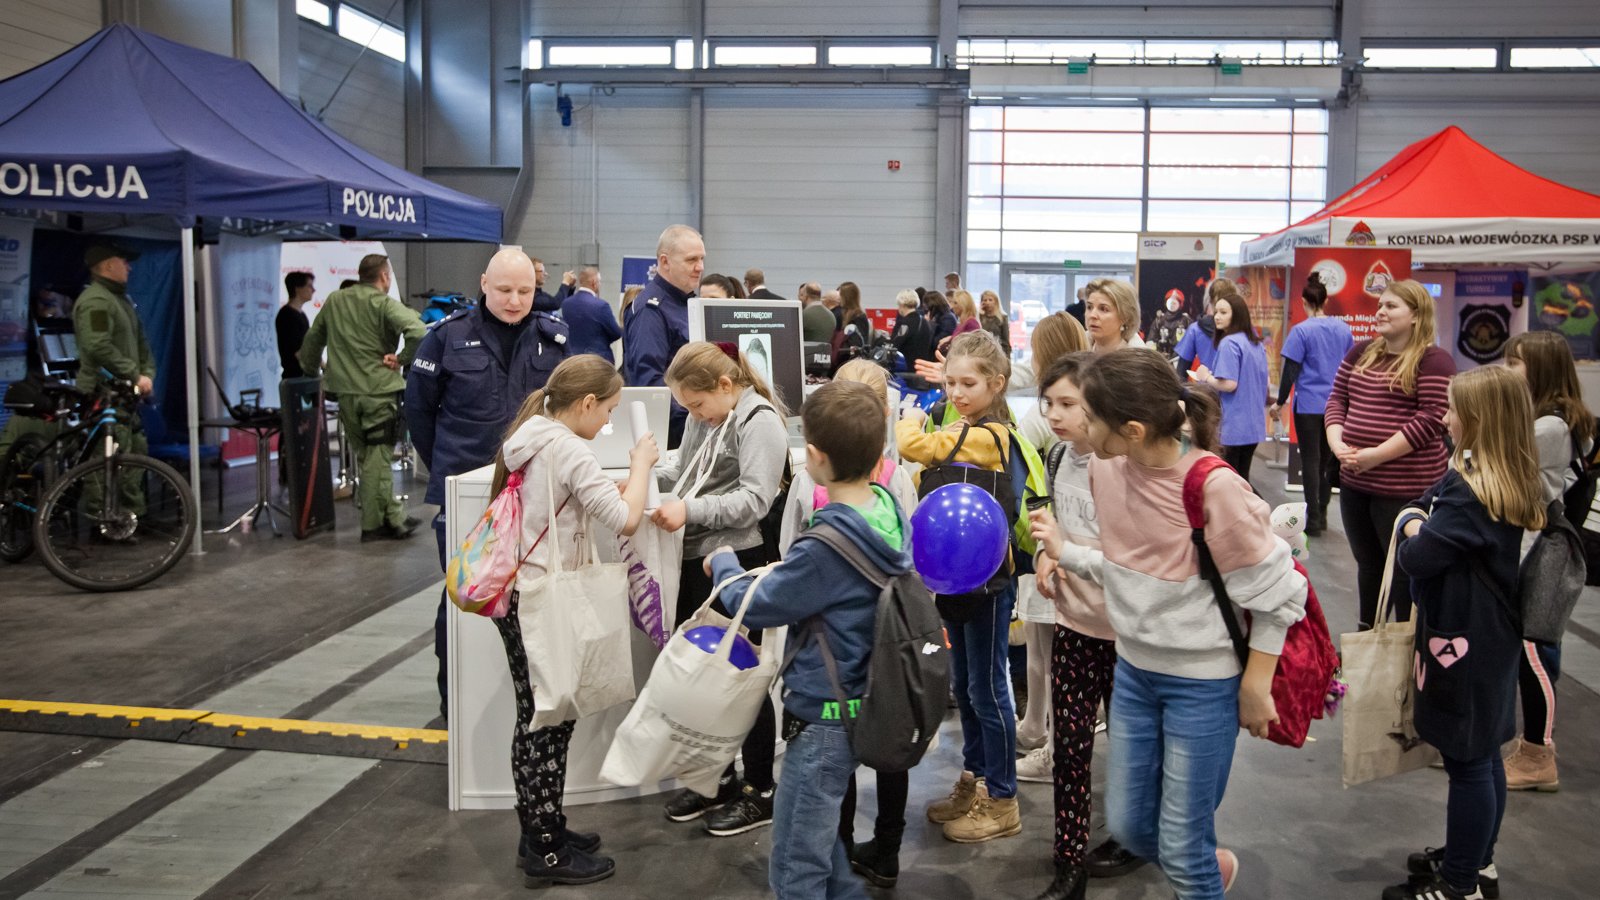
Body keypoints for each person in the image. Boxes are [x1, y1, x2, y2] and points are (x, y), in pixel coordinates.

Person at [1048, 348, 1307, 900]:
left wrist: (1256, 684)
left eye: (1088, 416)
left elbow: (1282, 592)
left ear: (1133, 429)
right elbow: (1131, 568)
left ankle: (1200, 875)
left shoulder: (1215, 489)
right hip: (1136, 674)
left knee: (1184, 845)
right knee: (1129, 827)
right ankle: (1210, 869)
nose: (1073, 424)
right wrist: (1067, 554)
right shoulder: (1102, 465)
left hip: (1203, 686)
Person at [706, 379, 912, 900]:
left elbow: (758, 604)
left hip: (823, 716)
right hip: (865, 700)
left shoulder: (827, 542)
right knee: (824, 851)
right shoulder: (887, 508)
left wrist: (725, 563)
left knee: (796, 862)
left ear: (814, 458)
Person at [493, 355, 659, 888]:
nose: (607, 423)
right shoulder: (568, 449)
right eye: (607, 411)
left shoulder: (533, 435)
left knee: (542, 715)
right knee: (547, 721)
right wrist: (640, 465)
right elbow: (625, 517)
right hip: (545, 598)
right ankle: (545, 849)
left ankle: (542, 830)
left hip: (524, 593)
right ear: (586, 403)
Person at [1387, 365, 1541, 900]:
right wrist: (1421, 515)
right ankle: (1478, 862)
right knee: (1485, 753)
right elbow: (1429, 503)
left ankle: (1459, 887)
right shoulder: (1508, 480)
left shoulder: (1470, 493)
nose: (1445, 417)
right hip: (1492, 637)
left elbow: (1416, 553)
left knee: (1468, 761)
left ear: (1477, 420)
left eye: (1453, 409)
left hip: (1464, 641)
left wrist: (1411, 523)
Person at [407, 247, 572, 719]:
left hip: (535, 492)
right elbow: (419, 413)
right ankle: (454, 703)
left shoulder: (554, 338)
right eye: (504, 290)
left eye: (525, 291)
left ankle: (521, 701)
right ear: (483, 284)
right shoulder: (445, 339)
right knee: (463, 595)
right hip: (466, 495)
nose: (515, 300)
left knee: (532, 598)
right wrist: (448, 468)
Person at [774, 360, 918, 889]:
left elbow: (781, 576)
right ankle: (867, 859)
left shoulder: (821, 522)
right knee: (876, 767)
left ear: (814, 454)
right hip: (880, 673)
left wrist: (727, 569)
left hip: (827, 689)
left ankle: (866, 849)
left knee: (799, 851)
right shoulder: (891, 496)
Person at [652, 341, 790, 836]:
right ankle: (717, 777)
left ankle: (760, 788)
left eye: (697, 405)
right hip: (695, 557)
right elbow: (687, 469)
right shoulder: (706, 416)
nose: (695, 415)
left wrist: (690, 510)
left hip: (740, 561)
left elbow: (753, 500)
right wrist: (641, 472)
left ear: (725, 386)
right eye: (687, 408)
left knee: (742, 676)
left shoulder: (761, 423)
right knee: (702, 673)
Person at [897, 330, 1023, 844]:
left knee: (990, 690)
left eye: (968, 383)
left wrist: (910, 417)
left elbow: (912, 445)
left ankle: (1004, 797)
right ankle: (974, 780)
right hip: (956, 579)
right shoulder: (964, 424)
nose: (956, 392)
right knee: (966, 687)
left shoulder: (992, 435)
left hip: (991, 583)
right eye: (949, 382)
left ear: (996, 383)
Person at [1025, 352, 1116, 900]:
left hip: (1129, 637)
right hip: (1074, 626)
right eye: (1050, 403)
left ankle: (1135, 836)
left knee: (1133, 751)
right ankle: (1069, 861)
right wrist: (1045, 555)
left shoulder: (1124, 465)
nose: (1055, 415)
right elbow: (1052, 523)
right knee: (1071, 749)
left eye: (1068, 404)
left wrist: (1070, 553)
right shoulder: (1058, 456)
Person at [1324, 280, 1454, 629]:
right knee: (1368, 565)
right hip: (1356, 482)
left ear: (1416, 315)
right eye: (1380, 304)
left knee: (1401, 570)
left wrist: (1376, 456)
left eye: (1391, 306)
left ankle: (1401, 650)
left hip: (1403, 490)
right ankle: (1368, 639)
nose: (1380, 311)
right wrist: (1337, 445)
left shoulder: (1434, 360)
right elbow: (1337, 400)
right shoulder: (1361, 351)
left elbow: (1431, 419)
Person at [1501, 330, 1594, 792]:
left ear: (1539, 369)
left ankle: (1539, 755)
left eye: (1515, 364)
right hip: (1535, 546)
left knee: (1535, 652)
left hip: (1544, 550)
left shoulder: (1551, 427)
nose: (1508, 370)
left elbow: (1526, 489)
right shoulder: (1545, 420)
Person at [1011, 312, 1089, 786]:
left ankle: (1047, 739)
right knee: (1044, 647)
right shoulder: (1060, 424)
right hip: (1049, 541)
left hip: (1050, 543)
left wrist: (1041, 533)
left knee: (1051, 653)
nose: (1056, 413)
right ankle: (1035, 726)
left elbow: (1033, 478)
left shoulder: (1042, 420)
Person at [298, 253, 427, 541]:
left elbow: (312, 342)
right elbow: (418, 330)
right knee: (378, 458)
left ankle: (393, 517)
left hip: (345, 394)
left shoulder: (334, 301)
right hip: (379, 392)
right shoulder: (383, 304)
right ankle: (372, 525)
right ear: (383, 277)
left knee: (368, 457)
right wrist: (403, 358)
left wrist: (309, 371)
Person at [73, 243, 155, 515]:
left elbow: (143, 344)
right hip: (102, 392)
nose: (129, 267)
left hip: (125, 394)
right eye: (124, 261)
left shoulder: (122, 301)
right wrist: (134, 374)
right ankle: (102, 520)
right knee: (104, 459)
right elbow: (98, 346)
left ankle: (132, 516)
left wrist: (146, 376)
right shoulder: (96, 301)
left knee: (135, 452)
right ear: (108, 265)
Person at [1271, 272, 1353, 535]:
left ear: (1305, 301)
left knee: (1309, 460)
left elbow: (1290, 372)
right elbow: (1352, 367)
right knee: (1327, 461)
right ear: (1325, 301)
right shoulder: (1343, 329)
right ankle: (1325, 514)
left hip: (1308, 405)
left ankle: (1313, 519)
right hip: (1337, 406)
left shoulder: (1301, 331)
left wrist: (1280, 402)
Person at [623, 224, 705, 447]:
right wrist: (700, 409)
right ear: (664, 261)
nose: (700, 267)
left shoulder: (689, 304)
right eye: (691, 260)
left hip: (696, 429)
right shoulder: (650, 312)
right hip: (673, 437)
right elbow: (651, 385)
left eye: (702, 259)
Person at [1193, 293, 1269, 482]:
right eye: (1216, 311)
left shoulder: (1229, 343)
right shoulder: (1255, 343)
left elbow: (1229, 384)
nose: (1217, 316)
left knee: (1230, 482)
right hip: (1254, 426)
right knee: (1243, 480)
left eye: (1223, 312)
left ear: (1236, 315)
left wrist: (1206, 377)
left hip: (1233, 427)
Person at [560, 266, 621, 363]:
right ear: (594, 282)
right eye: (599, 281)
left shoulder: (566, 304)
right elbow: (616, 333)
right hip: (598, 361)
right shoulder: (601, 305)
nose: (599, 284)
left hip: (572, 360)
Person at [1176, 278, 1234, 374]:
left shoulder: (1194, 330)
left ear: (1208, 300)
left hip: (1204, 387)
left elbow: (1181, 372)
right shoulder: (1245, 329)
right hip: (1236, 388)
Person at [1082, 278, 1142, 353]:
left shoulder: (1138, 361)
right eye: (1089, 307)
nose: (1092, 315)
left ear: (1125, 317)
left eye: (1103, 309)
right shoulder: (1075, 351)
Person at [278, 271, 314, 380]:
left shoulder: (301, 315)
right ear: (298, 288)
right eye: (309, 286)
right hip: (295, 378)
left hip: (303, 377)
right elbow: (298, 351)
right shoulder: (287, 315)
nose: (313, 290)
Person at [890, 289, 935, 372]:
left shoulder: (905, 324)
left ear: (902, 304)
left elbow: (894, 344)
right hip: (922, 367)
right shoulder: (924, 321)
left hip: (908, 368)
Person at [1149, 289, 1191, 358]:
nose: (1172, 303)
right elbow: (1151, 340)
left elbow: (1192, 341)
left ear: (1180, 303)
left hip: (1179, 358)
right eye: (1170, 300)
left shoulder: (1186, 320)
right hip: (1161, 358)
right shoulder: (1159, 320)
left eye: (1176, 300)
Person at [837, 282, 872, 359]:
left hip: (852, 360)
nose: (838, 298)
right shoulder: (844, 315)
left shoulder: (858, 317)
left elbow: (857, 343)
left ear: (847, 297)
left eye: (840, 295)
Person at [979, 290, 1011, 357]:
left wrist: (1007, 358)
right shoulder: (979, 317)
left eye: (990, 300)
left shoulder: (1003, 318)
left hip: (998, 353)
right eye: (985, 300)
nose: (987, 302)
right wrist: (979, 314)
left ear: (996, 302)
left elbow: (1005, 341)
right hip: (982, 352)